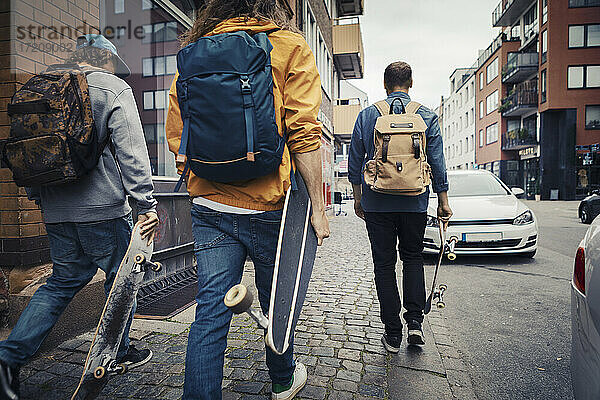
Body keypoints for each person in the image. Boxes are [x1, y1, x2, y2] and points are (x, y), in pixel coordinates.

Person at [166, 1, 330, 399]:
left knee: (209, 312)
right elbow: (304, 134)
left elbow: (177, 137)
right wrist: (319, 209)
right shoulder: (288, 46)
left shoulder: (193, 53)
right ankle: (282, 380)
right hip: (272, 207)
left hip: (210, 206)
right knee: (279, 304)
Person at [0, 34, 159, 399]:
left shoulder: (43, 86)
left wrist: (40, 200)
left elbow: (25, 153)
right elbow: (131, 152)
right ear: (107, 60)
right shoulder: (111, 88)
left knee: (60, 283)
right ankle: (117, 350)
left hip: (57, 211)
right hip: (103, 210)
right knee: (122, 280)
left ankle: (7, 357)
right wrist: (146, 205)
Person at [348, 61, 452, 353]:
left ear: (384, 84)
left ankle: (392, 332)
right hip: (415, 201)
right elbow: (438, 163)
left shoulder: (368, 116)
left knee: (384, 265)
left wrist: (358, 198)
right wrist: (443, 201)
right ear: (410, 83)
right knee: (413, 258)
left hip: (377, 202)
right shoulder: (427, 116)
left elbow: (355, 162)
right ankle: (415, 323)